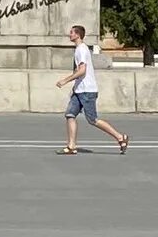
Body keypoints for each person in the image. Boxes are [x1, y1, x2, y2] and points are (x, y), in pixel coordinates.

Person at [55, 24, 128, 155]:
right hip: (79, 91)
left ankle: (120, 138)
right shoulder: (79, 49)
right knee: (70, 115)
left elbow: (82, 70)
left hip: (87, 91)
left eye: (71, 32)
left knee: (93, 120)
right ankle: (71, 146)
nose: (69, 34)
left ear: (78, 35)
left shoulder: (81, 50)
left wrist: (65, 80)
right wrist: (75, 87)